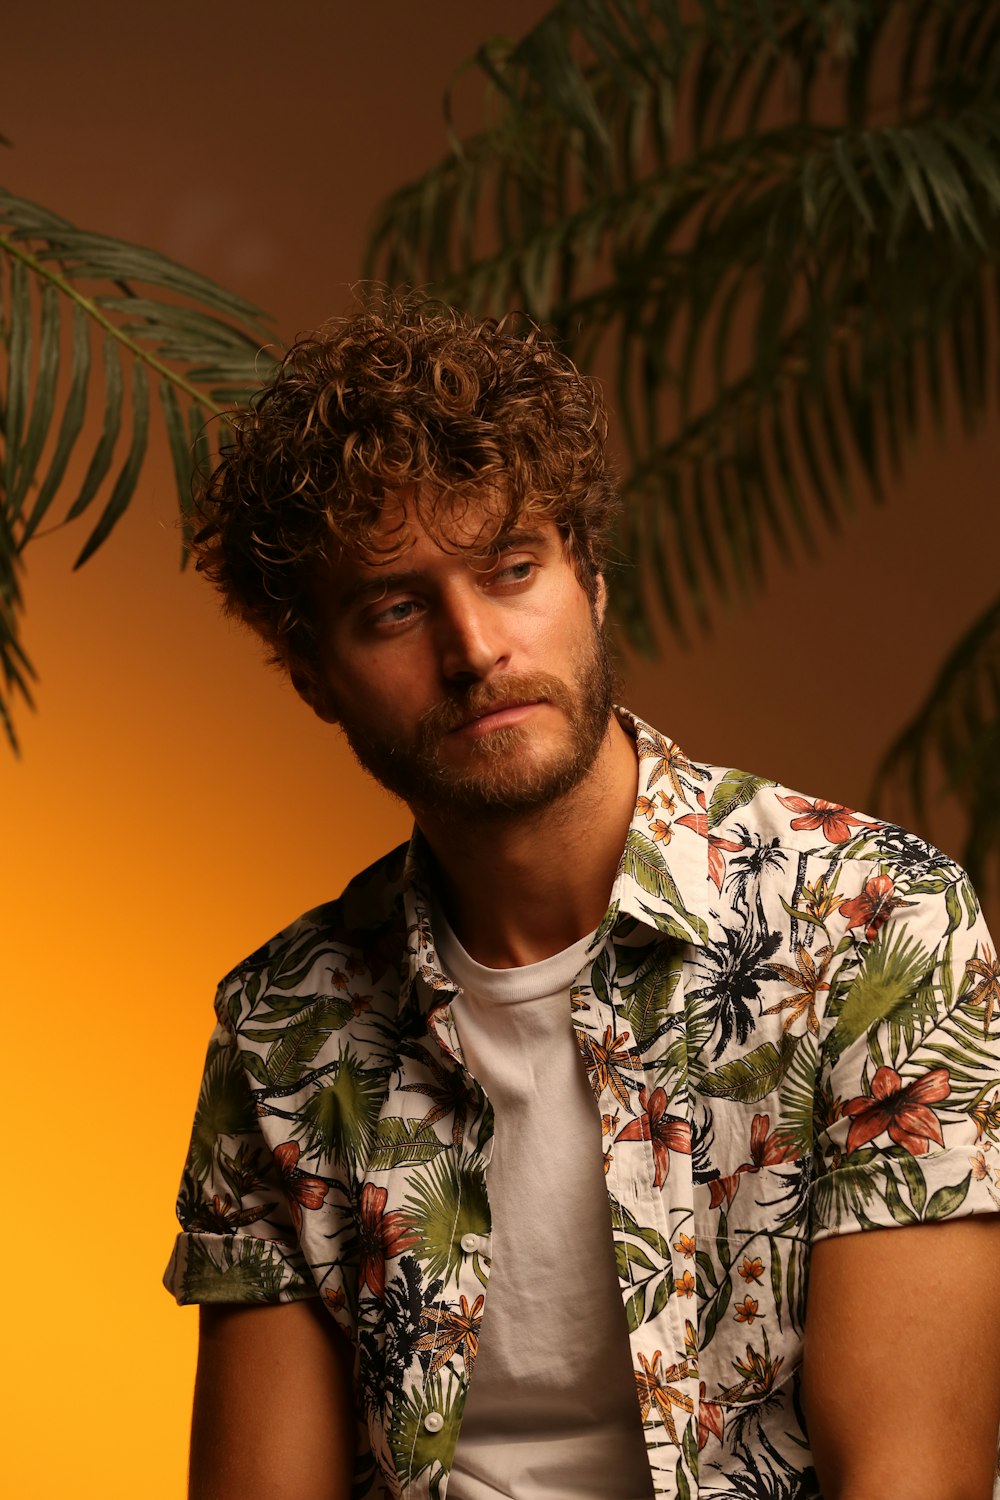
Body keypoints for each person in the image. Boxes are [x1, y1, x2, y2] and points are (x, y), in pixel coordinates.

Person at [165, 293, 1000, 1500]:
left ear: (589, 579)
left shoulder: (873, 922)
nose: (474, 649)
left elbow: (910, 1480)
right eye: (395, 608)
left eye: (511, 570)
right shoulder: (286, 1025)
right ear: (312, 677)